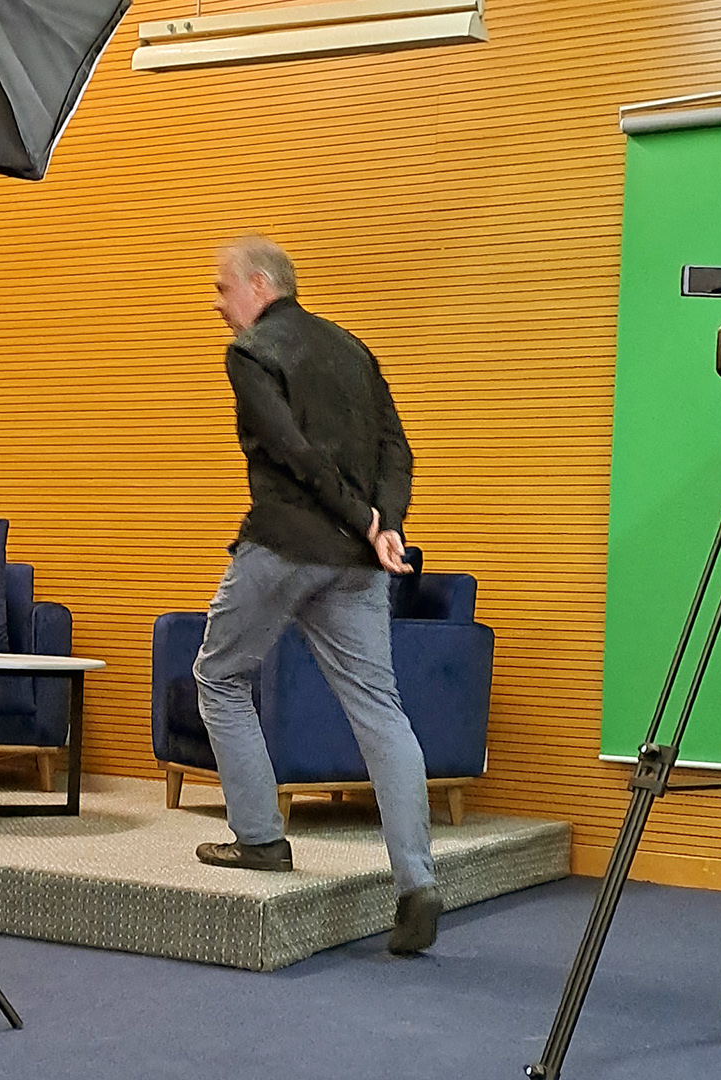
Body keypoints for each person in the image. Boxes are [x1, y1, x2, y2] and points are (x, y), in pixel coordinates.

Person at [193, 233, 442, 955]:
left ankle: (262, 840)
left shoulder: (250, 353)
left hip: (285, 544)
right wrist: (384, 525)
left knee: (219, 676)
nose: (217, 304)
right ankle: (417, 883)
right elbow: (398, 449)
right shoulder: (353, 350)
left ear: (260, 285)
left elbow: (289, 449)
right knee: (379, 710)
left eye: (221, 289)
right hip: (358, 560)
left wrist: (363, 517)